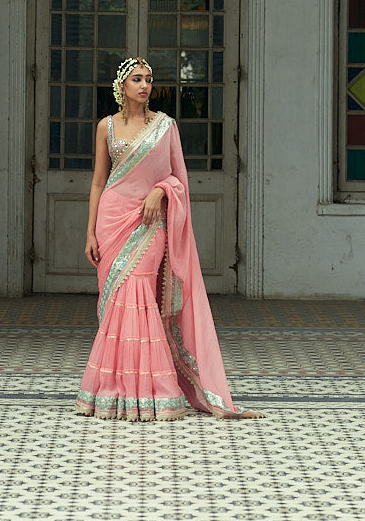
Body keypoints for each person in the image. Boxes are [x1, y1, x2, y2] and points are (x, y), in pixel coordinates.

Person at [76, 56, 264, 421]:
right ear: (121, 87)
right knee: (117, 302)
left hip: (150, 222)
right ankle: (113, 392)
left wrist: (160, 191)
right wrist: (89, 231)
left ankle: (152, 392)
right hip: (112, 220)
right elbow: (99, 181)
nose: (144, 85)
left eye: (148, 79)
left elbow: (180, 178)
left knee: (140, 297)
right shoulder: (106, 127)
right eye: (136, 79)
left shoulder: (165, 127)